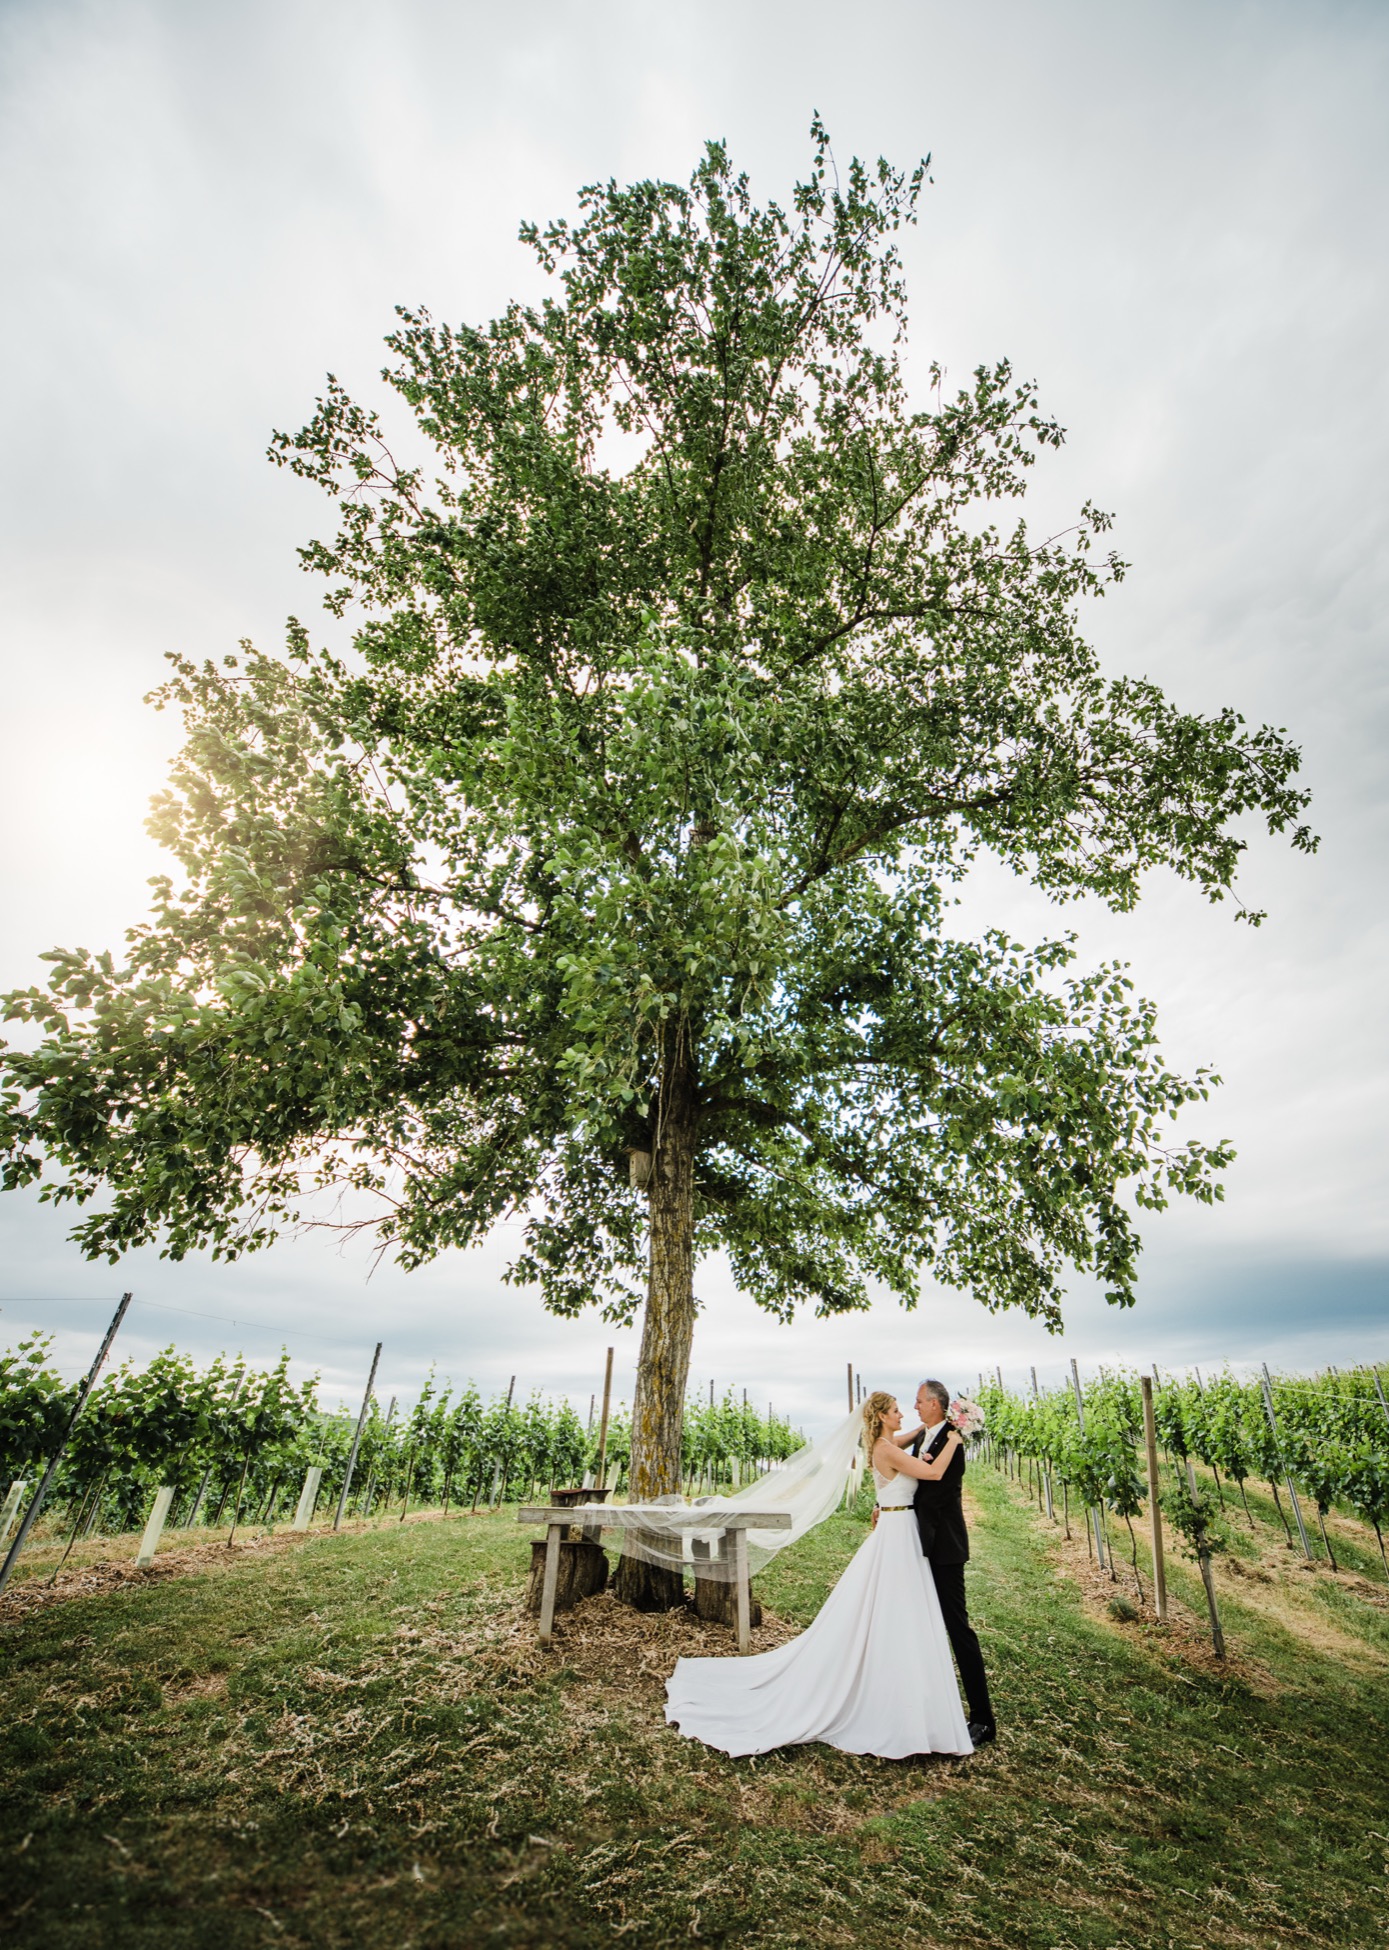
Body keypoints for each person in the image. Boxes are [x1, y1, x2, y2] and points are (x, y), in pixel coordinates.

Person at [664, 1392, 973, 1759]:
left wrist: (943, 1422)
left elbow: (912, 1437)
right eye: (895, 1410)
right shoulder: (885, 1449)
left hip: (899, 1528)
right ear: (881, 1417)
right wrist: (954, 1439)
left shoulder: (887, 1442)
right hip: (897, 1530)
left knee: (893, 1605)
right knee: (893, 1604)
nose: (903, 1413)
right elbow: (934, 1472)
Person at [908, 1378, 996, 1746]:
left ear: (935, 1404)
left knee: (957, 1628)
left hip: (942, 1547)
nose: (914, 1407)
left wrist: (906, 1517)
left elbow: (935, 1495)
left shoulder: (953, 1442)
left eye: (918, 1401)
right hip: (914, 1543)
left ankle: (983, 1718)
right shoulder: (922, 1437)